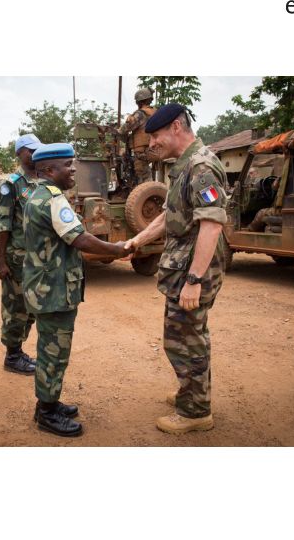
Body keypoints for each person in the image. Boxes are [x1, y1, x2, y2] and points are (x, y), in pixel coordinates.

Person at [125, 103, 228, 435]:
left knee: (186, 339)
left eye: (155, 135)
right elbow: (169, 213)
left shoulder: (202, 167)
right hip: (184, 265)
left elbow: (211, 226)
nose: (151, 142)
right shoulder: (183, 167)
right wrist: (138, 239)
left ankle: (196, 410)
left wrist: (194, 281)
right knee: (185, 335)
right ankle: (191, 393)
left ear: (176, 128)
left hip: (195, 269)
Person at [23, 143, 131, 437]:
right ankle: (46, 411)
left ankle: (49, 402)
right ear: (48, 170)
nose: (73, 170)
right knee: (53, 351)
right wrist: (117, 250)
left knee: (52, 348)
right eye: (67, 165)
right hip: (53, 290)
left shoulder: (37, 194)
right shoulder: (53, 199)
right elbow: (80, 239)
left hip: (46, 287)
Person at [0, 134, 42, 375]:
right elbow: (3, 224)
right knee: (15, 309)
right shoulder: (11, 183)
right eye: (30, 150)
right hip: (17, 260)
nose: (34, 154)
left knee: (32, 308)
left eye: (37, 150)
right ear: (19, 153)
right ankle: (12, 355)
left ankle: (19, 350)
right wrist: (0, 261)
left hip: (37, 260)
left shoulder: (41, 180)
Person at [118, 87, 157, 184]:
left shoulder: (140, 114)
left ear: (139, 102)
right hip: (154, 149)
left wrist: (118, 132)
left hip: (141, 152)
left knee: (142, 179)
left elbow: (124, 129)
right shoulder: (155, 113)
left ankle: (146, 196)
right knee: (147, 175)